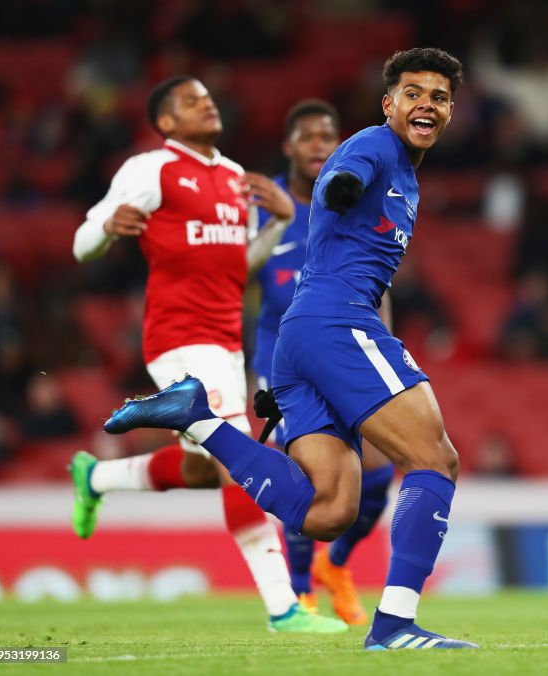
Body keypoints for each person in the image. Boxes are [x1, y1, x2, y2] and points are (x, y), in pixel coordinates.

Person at [103, 48, 477, 650]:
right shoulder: (375, 146)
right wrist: (341, 186)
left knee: (327, 510)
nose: (426, 105)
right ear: (390, 104)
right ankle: (395, 626)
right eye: (413, 93)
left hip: (301, 335)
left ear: (451, 111)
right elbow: (337, 178)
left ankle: (196, 417)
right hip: (337, 321)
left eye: (438, 97)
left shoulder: (405, 171)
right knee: (437, 459)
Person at [69, 75, 345, 634]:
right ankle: (284, 607)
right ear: (167, 122)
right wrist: (105, 228)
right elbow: (81, 244)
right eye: (191, 101)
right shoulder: (152, 168)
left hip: (224, 340)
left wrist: (284, 222)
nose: (207, 103)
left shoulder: (238, 179)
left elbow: (239, 267)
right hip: (176, 338)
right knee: (235, 461)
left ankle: (96, 478)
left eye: (208, 97)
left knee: (203, 467)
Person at [247, 98, 395, 625]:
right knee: (310, 476)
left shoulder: (354, 198)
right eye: (307, 136)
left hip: (346, 349)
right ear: (288, 146)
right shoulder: (262, 201)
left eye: (327, 136)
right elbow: (236, 285)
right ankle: (302, 594)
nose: (318, 145)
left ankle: (336, 565)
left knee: (379, 472)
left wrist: (387, 348)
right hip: (282, 357)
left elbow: (377, 281)